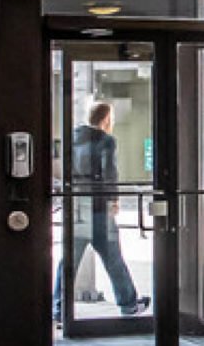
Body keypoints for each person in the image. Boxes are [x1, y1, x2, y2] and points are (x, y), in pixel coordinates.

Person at [55, 101, 146, 321]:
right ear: (106, 119)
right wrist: (114, 200)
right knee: (113, 257)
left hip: (75, 205)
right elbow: (109, 173)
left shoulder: (72, 138)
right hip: (97, 208)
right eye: (111, 118)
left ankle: (58, 308)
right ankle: (129, 304)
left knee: (69, 259)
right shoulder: (106, 141)